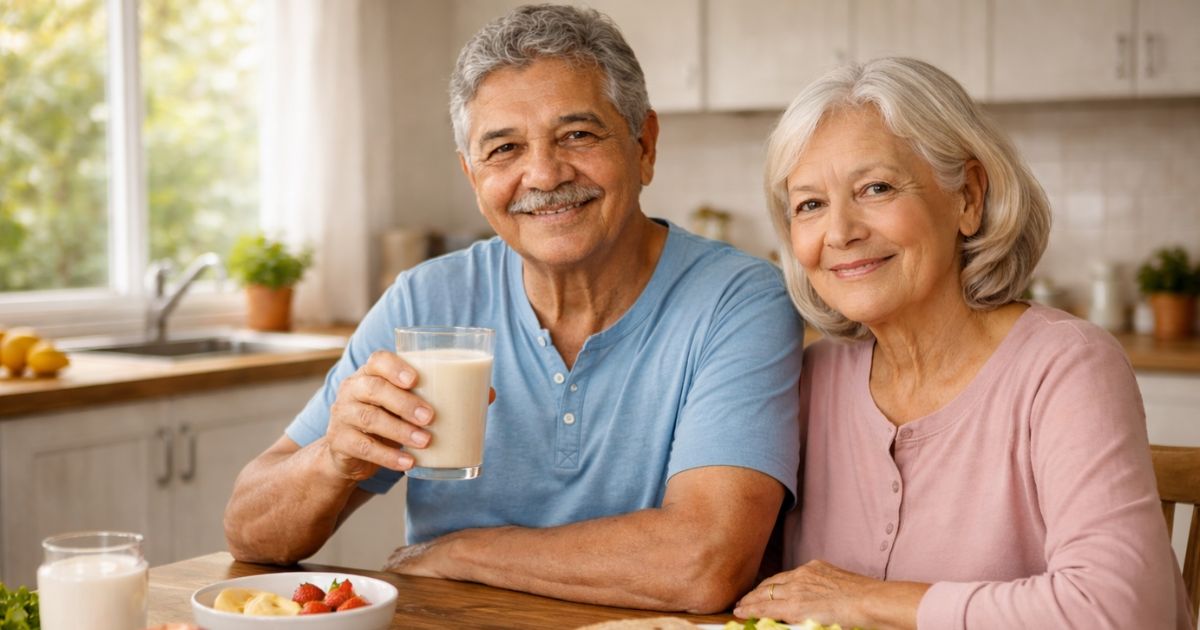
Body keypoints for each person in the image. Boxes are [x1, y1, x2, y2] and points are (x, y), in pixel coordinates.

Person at [223, 4, 805, 613]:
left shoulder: (738, 300)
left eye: (577, 135)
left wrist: (463, 553)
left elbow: (703, 562)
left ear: (645, 145)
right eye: (504, 148)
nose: (544, 174)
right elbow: (250, 532)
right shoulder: (428, 300)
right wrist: (334, 458)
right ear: (473, 176)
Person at [733, 57, 1192, 629]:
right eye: (810, 205)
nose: (841, 232)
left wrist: (862, 600)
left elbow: (1121, 612)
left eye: (875, 187)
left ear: (968, 198)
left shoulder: (1066, 366)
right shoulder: (807, 379)